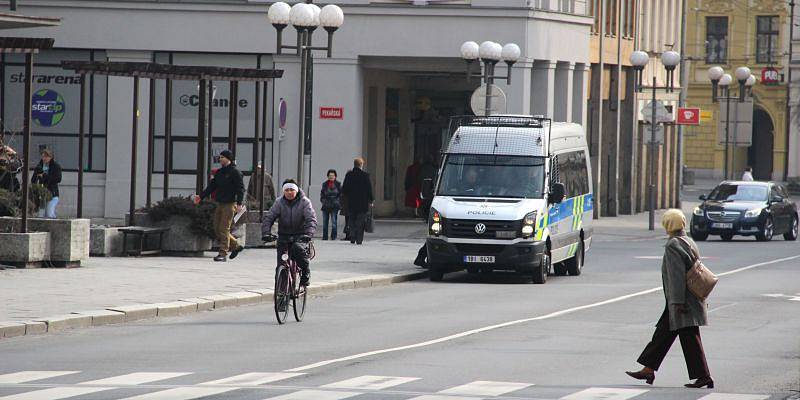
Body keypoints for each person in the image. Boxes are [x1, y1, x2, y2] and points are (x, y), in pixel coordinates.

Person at [626, 209, 713, 389]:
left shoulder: (674, 245)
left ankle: (704, 376)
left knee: (690, 339)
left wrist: (677, 302)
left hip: (682, 302)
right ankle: (648, 369)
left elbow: (676, 277)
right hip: (686, 300)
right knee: (662, 334)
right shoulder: (688, 241)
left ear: (668, 225)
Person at [262, 179, 317, 286]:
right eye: (286, 190)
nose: (289, 192)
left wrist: (308, 234)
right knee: (281, 264)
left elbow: (311, 219)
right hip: (283, 236)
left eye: (292, 190)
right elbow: (269, 217)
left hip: (300, 236)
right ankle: (282, 295)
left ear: (296, 191)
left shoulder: (304, 202)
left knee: (298, 249)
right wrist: (266, 233)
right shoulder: (279, 202)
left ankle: (306, 272)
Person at [198, 149, 245, 262]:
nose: (220, 159)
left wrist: (239, 204)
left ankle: (222, 253)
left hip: (230, 204)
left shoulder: (235, 172)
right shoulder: (219, 172)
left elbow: (241, 189)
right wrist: (201, 196)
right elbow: (212, 186)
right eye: (219, 157)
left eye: (222, 157)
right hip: (220, 203)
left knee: (224, 228)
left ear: (228, 158)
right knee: (217, 228)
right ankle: (236, 245)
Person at [342, 158, 374, 245]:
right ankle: (359, 239)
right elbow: (369, 189)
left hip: (351, 202)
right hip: (362, 203)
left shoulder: (349, 175)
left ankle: (352, 236)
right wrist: (371, 200)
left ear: (354, 164)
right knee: (360, 221)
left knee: (351, 219)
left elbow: (344, 189)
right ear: (361, 165)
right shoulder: (365, 175)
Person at [31, 149, 62, 218]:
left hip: (52, 194)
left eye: (46, 157)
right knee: (41, 214)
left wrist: (44, 176)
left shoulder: (55, 166)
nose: (44, 158)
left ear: (51, 157)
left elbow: (58, 179)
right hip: (41, 194)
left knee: (49, 213)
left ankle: (54, 224)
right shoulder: (39, 167)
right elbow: (33, 180)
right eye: (43, 156)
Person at [320, 169, 342, 240]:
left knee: (334, 223)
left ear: (335, 176)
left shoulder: (338, 184)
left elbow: (340, 195)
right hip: (326, 205)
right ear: (327, 176)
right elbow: (322, 194)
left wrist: (337, 202)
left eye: (333, 175)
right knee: (325, 223)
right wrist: (323, 201)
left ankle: (333, 237)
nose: (331, 177)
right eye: (330, 175)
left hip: (334, 205)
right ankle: (325, 237)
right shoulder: (325, 184)